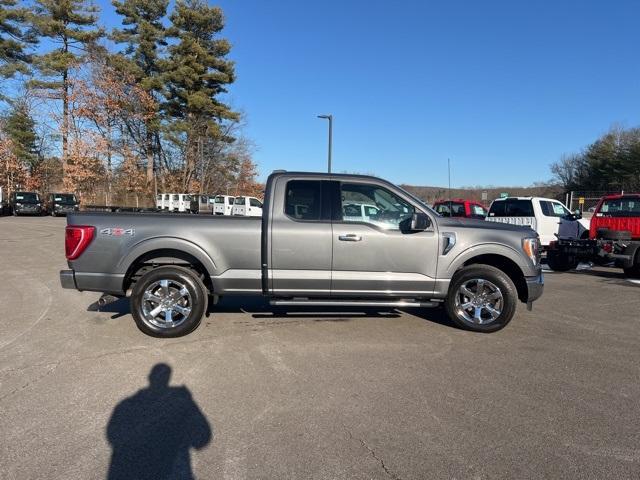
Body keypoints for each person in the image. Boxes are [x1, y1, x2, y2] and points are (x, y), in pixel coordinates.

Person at [106, 363, 212, 480]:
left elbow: (113, 436)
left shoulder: (126, 405)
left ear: (150, 378)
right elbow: (202, 439)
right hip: (172, 469)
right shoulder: (181, 402)